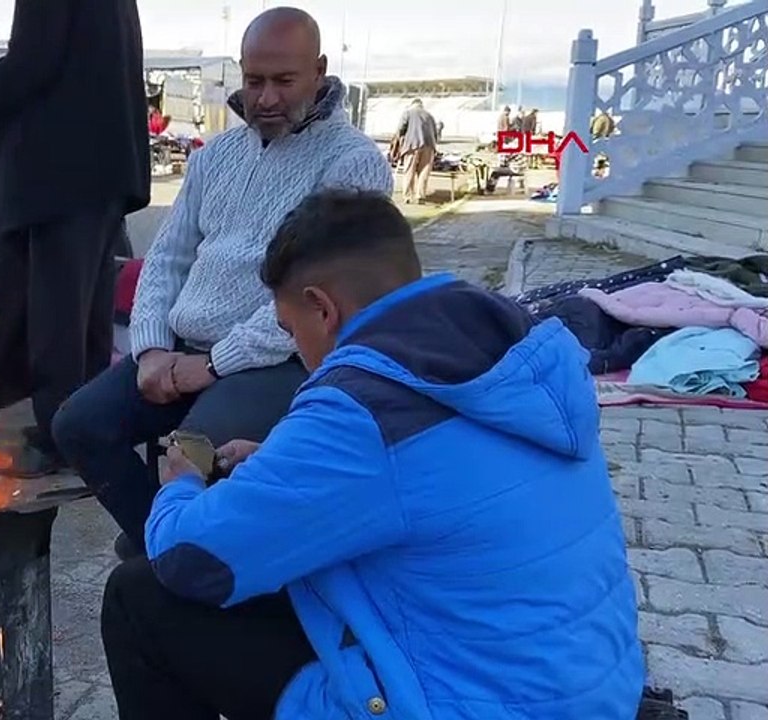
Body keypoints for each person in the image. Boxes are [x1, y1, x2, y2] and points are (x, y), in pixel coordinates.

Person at [101, 188, 645, 720]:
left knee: (140, 595)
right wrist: (275, 462)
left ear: (322, 309)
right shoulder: (509, 354)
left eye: (291, 332)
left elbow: (190, 559)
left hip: (459, 701)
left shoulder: (362, 408)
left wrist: (179, 485)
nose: (300, 352)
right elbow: (426, 480)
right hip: (587, 688)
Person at [52, 7, 393, 557]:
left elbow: (314, 298)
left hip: (278, 357)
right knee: (77, 426)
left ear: (320, 70)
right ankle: (162, 549)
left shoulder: (353, 162)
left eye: (284, 81)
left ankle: (200, 561)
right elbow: (167, 258)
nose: (265, 99)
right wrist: (150, 351)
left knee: (198, 456)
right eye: (254, 80)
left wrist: (212, 366)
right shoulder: (217, 156)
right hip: (185, 350)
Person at [0, 0, 150, 477]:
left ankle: (60, 439)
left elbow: (33, 62)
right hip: (101, 172)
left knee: (55, 318)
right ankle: (80, 426)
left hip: (58, 174)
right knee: (85, 315)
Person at [396, 98, 438, 204]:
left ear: (412, 104)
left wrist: (399, 139)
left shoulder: (408, 112)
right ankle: (420, 195)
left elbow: (401, 129)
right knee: (424, 171)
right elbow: (436, 133)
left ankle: (407, 196)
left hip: (412, 144)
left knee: (409, 170)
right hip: (429, 145)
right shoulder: (429, 115)